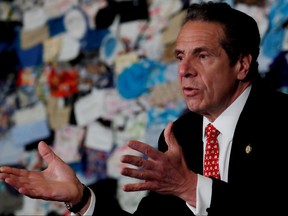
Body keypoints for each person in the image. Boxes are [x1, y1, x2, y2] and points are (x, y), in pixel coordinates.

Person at [1, 1, 288, 216]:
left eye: (202, 56)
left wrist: (189, 186)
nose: (184, 71)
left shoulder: (279, 119)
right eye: (179, 57)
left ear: (241, 64)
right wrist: (81, 198)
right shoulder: (179, 134)